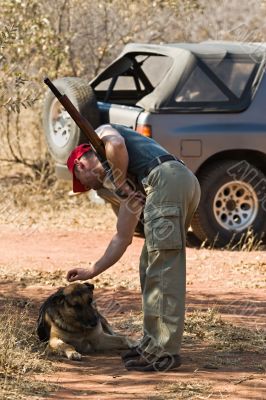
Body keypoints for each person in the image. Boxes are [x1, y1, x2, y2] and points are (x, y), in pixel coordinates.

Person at [66, 123, 201, 372]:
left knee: (163, 270)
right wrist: (91, 270)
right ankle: (151, 344)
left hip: (167, 180)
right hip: (175, 183)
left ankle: (163, 351)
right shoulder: (127, 183)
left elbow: (116, 144)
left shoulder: (103, 131)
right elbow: (122, 237)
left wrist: (118, 182)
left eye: (82, 181)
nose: (89, 188)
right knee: (149, 266)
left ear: (80, 165)